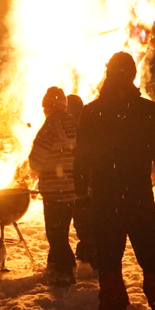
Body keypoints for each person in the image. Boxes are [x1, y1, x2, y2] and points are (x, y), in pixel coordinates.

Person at [73, 52, 155, 310]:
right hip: (137, 195)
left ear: (108, 73)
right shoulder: (147, 110)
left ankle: (115, 309)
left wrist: (82, 193)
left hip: (105, 197)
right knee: (151, 251)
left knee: (109, 255)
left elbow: (81, 158)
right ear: (133, 75)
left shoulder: (92, 111)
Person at [27, 86, 78, 285]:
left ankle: (66, 270)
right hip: (71, 187)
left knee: (55, 233)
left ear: (48, 106)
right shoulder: (74, 124)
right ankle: (54, 266)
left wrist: (33, 169)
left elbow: (36, 160)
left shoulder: (49, 127)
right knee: (61, 230)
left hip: (54, 188)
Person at [66, 93, 92, 269]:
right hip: (86, 183)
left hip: (79, 183)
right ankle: (88, 252)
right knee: (86, 219)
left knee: (83, 219)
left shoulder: (73, 128)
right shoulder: (88, 125)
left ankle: (88, 254)